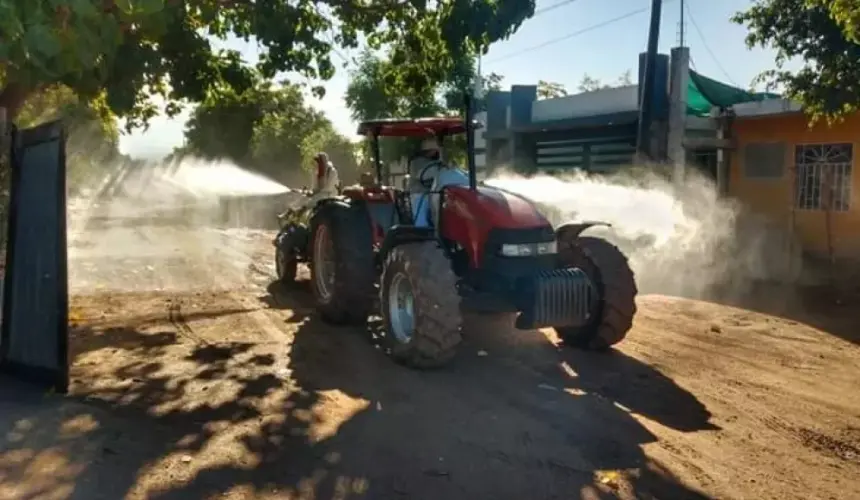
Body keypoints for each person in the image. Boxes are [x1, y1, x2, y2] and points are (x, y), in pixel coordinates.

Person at [407, 136, 469, 227]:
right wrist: (439, 169)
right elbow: (423, 175)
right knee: (421, 215)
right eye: (434, 151)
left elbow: (440, 173)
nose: (436, 153)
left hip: (433, 192)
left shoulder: (436, 162)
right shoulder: (416, 162)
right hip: (419, 193)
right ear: (428, 151)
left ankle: (439, 229)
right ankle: (421, 230)